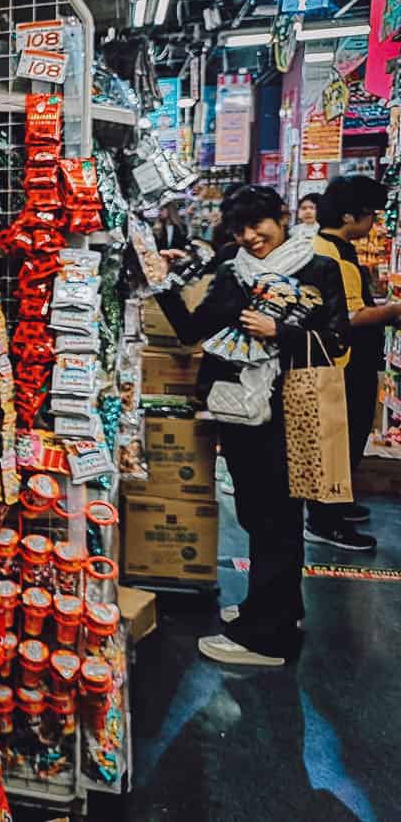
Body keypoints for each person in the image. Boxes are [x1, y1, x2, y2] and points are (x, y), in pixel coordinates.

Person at [156, 185, 348, 667]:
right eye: (239, 229)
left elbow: (338, 338)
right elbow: (193, 330)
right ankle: (278, 608)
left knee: (276, 520)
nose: (250, 237)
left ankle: (267, 638)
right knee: (260, 516)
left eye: (257, 224)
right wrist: (162, 283)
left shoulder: (317, 266)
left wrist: (278, 331)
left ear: (281, 216)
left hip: (292, 410)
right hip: (241, 414)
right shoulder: (233, 273)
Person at [305, 176, 394, 550]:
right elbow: (352, 316)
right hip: (342, 362)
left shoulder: (329, 245)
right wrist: (393, 311)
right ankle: (326, 521)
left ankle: (337, 505)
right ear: (348, 217)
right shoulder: (334, 256)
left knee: (342, 439)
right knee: (339, 440)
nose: (373, 223)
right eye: (370, 215)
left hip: (339, 360)